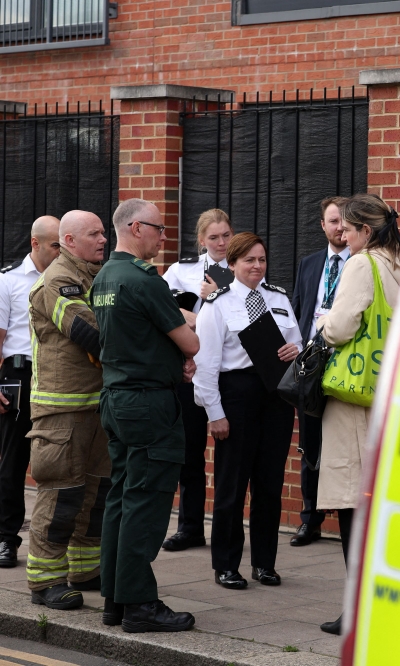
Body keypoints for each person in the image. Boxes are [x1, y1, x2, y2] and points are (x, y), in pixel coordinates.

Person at [92, 198, 200, 632]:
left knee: (121, 499)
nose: (163, 235)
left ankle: (115, 601)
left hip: (117, 398)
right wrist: (184, 348)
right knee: (145, 503)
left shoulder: (104, 276)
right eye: (158, 227)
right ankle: (140, 605)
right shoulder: (144, 280)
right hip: (149, 404)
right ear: (136, 228)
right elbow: (189, 343)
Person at [314, 194, 400, 634]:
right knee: (380, 504)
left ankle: (358, 609)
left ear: (366, 231)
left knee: (353, 502)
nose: (342, 236)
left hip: (355, 396)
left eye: (347, 231)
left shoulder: (362, 263)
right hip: (390, 393)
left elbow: (340, 327)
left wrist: (320, 321)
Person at [193, 232, 302, 590]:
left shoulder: (279, 297)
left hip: (276, 397)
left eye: (262, 260)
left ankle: (264, 564)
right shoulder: (218, 304)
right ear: (233, 264)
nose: (257, 266)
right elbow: (206, 363)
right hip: (236, 395)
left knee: (270, 484)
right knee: (232, 485)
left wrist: (294, 351)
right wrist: (215, 413)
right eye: (249, 261)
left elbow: (297, 343)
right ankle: (226, 564)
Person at [25, 210, 109, 610]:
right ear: (69, 241)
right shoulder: (57, 281)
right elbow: (89, 331)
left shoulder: (93, 276)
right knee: (62, 495)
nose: (103, 239)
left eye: (104, 233)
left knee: (94, 497)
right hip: (62, 412)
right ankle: (45, 581)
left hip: (95, 407)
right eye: (94, 234)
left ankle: (85, 570)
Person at [160, 208, 234, 552]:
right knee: (189, 453)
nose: (221, 243)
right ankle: (190, 527)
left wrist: (212, 300)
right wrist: (195, 310)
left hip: (227, 374)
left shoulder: (242, 268)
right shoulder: (181, 270)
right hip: (189, 372)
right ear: (201, 240)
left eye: (226, 235)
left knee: (230, 457)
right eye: (214, 237)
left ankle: (227, 528)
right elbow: (160, 308)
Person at [0, 216, 62, 569]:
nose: (60, 252)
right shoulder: (8, 281)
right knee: (12, 463)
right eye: (55, 245)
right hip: (19, 376)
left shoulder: (67, 279)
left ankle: (54, 539)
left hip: (56, 375)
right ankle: (6, 539)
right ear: (35, 243)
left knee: (57, 462)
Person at [289, 196, 350, 546]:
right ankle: (309, 518)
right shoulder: (309, 264)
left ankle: (345, 523)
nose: (339, 227)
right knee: (309, 446)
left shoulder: (361, 263)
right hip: (312, 368)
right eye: (333, 221)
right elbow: (300, 310)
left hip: (344, 368)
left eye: (344, 221)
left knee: (342, 447)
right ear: (322, 225)